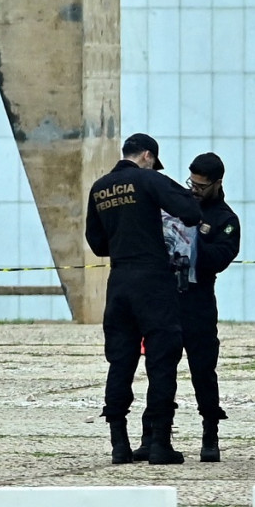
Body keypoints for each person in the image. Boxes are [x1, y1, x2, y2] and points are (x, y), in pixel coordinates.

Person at [85, 133, 201, 465]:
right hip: (152, 281)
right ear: (147, 155)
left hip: (118, 282)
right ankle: (159, 443)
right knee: (162, 361)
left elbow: (97, 244)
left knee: (120, 361)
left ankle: (119, 444)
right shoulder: (149, 180)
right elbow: (190, 212)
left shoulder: (100, 187)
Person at [131, 152, 240, 463]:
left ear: (217, 184)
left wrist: (192, 237)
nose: (194, 190)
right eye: (191, 182)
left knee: (203, 372)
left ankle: (210, 434)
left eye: (202, 186)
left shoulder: (225, 220)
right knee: (159, 370)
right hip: (166, 303)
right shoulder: (175, 204)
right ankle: (151, 435)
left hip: (198, 304)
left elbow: (219, 259)